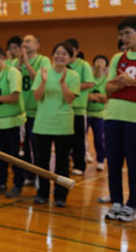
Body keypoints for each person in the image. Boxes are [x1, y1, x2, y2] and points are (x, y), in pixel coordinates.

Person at [31, 42, 80, 207]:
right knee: (41, 161)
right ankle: (42, 193)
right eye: (57, 53)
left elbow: (70, 99)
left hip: (63, 125)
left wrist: (63, 83)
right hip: (43, 124)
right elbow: (37, 97)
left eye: (64, 53)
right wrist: (44, 82)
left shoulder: (73, 75)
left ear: (70, 58)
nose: (60, 56)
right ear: (53, 56)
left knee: (62, 162)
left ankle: (60, 196)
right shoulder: (43, 72)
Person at [0, 43, 26, 198]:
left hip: (14, 122)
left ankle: (18, 184)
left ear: (2, 58)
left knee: (15, 156)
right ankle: (1, 183)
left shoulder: (12, 73)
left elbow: (14, 97)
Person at [103, 16, 136, 222]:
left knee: (133, 163)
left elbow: (120, 85)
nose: (124, 38)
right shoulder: (118, 57)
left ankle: (132, 205)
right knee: (113, 162)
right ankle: (116, 201)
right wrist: (124, 85)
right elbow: (107, 89)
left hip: (133, 118)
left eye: (128, 33)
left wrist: (130, 82)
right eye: (121, 34)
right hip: (113, 116)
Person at [13, 35, 52, 186]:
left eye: (28, 41)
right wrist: (20, 63)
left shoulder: (44, 60)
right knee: (25, 148)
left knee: (38, 147)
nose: (24, 44)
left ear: (37, 44)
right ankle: (29, 175)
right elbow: (12, 78)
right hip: (22, 111)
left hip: (38, 111)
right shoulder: (17, 61)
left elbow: (41, 80)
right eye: (23, 42)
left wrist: (27, 64)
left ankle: (39, 177)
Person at [65, 38, 95, 176]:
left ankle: (80, 165)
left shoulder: (83, 65)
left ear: (77, 51)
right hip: (63, 109)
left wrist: (72, 87)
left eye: (71, 50)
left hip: (78, 108)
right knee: (65, 139)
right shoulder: (61, 65)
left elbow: (90, 83)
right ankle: (67, 163)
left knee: (79, 139)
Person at [87, 55, 109, 171]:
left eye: (102, 62)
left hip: (100, 115)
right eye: (97, 61)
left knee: (99, 139)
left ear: (106, 65)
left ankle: (100, 160)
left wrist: (94, 97)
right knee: (80, 138)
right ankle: (79, 156)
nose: (99, 64)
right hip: (87, 113)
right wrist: (99, 97)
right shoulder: (89, 79)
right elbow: (86, 96)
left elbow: (106, 98)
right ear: (93, 64)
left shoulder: (106, 80)